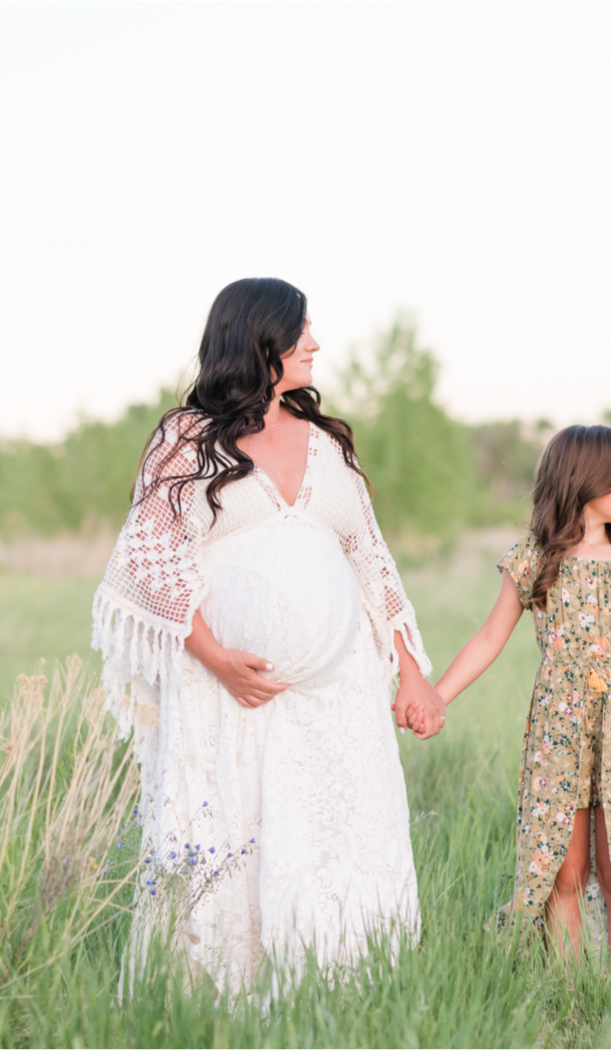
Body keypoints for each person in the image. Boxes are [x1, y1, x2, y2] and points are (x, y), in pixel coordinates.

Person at [92, 277, 447, 997]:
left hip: (338, 694)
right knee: (236, 838)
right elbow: (152, 564)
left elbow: (370, 560)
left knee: (340, 835)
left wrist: (411, 671)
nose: (313, 343)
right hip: (228, 694)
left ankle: (345, 992)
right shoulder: (187, 439)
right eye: (299, 331)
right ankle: (225, 1000)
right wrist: (216, 658)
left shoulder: (328, 445)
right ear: (258, 341)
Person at [433, 424, 611, 953]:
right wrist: (437, 696)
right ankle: (569, 989)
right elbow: (489, 637)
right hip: (559, 732)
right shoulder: (535, 556)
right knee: (564, 872)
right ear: (587, 480)